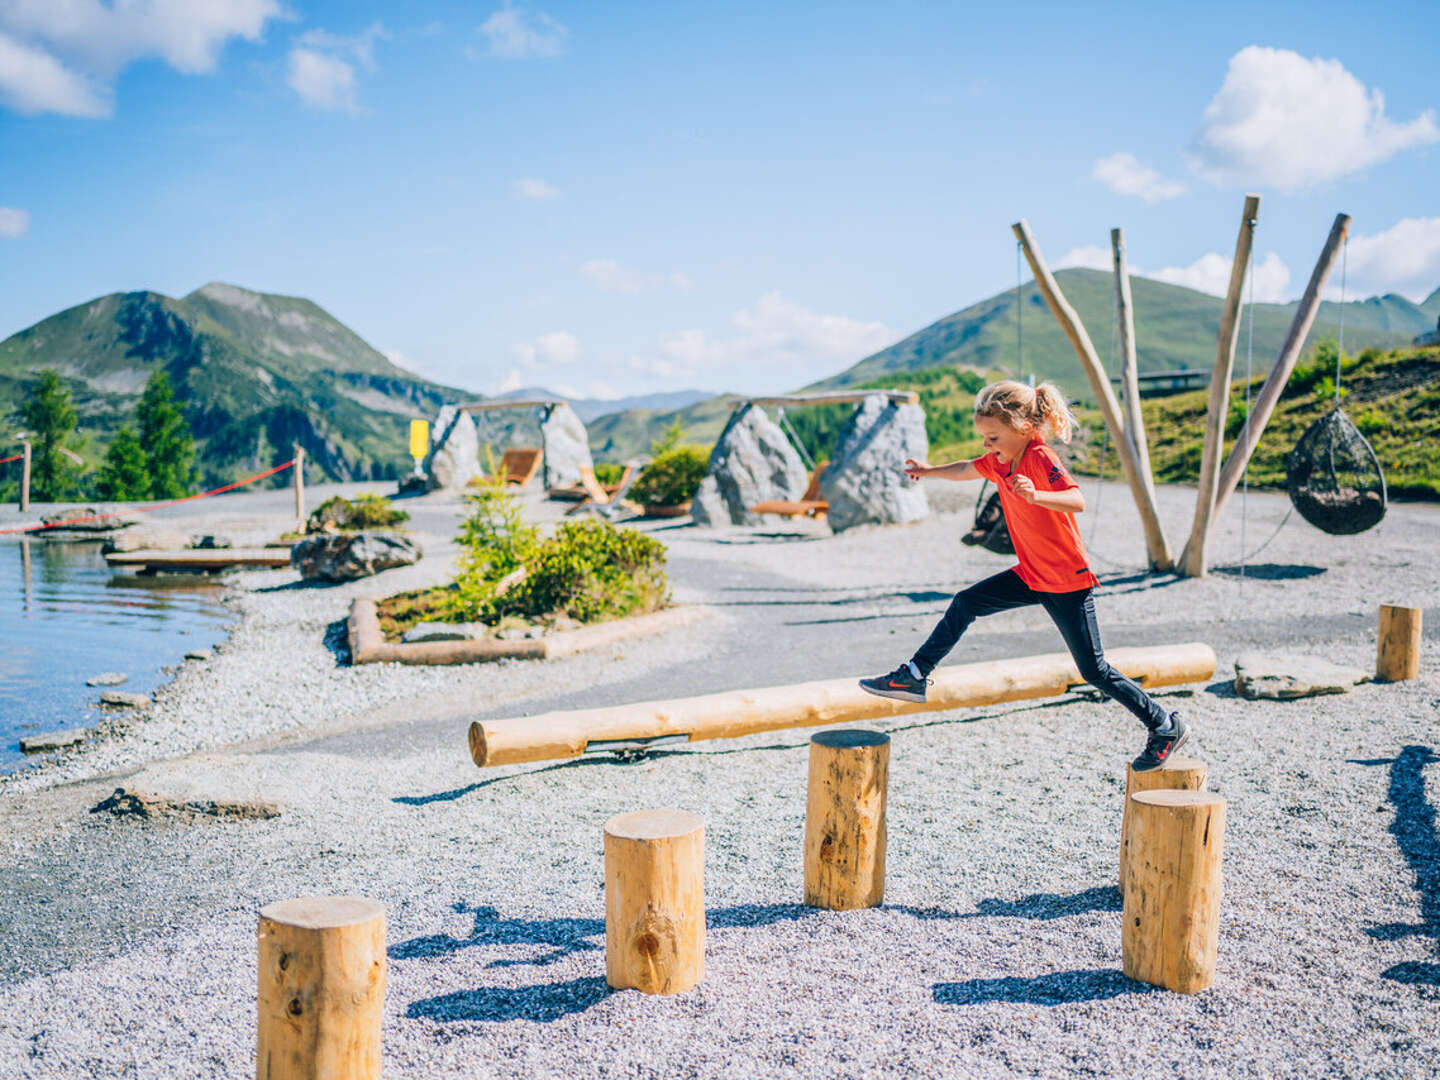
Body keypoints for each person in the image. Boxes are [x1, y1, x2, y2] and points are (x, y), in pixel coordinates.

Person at [859, 379, 1190, 771]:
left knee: (1094, 670)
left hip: (1066, 580)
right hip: (1032, 574)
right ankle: (914, 675)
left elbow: (1077, 499)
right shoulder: (1001, 461)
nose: (987, 445)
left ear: (1023, 427)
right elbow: (968, 468)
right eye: (984, 437)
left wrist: (1036, 496)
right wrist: (929, 471)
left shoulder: (1040, 456)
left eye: (993, 436)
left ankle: (1165, 725)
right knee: (966, 602)